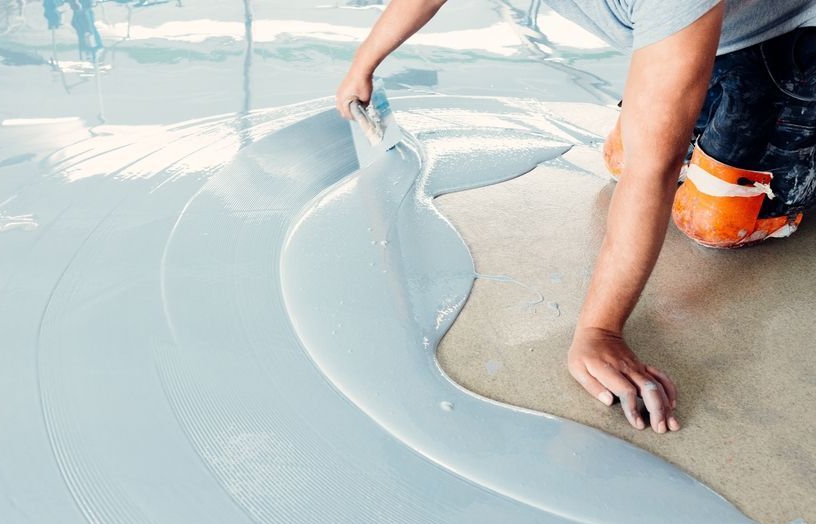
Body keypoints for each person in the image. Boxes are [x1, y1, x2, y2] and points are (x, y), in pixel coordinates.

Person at [336, 0, 816, 434]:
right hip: (703, 27)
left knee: (714, 217)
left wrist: (599, 330)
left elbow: (654, 169)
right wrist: (365, 61)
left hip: (787, 37)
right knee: (623, 158)